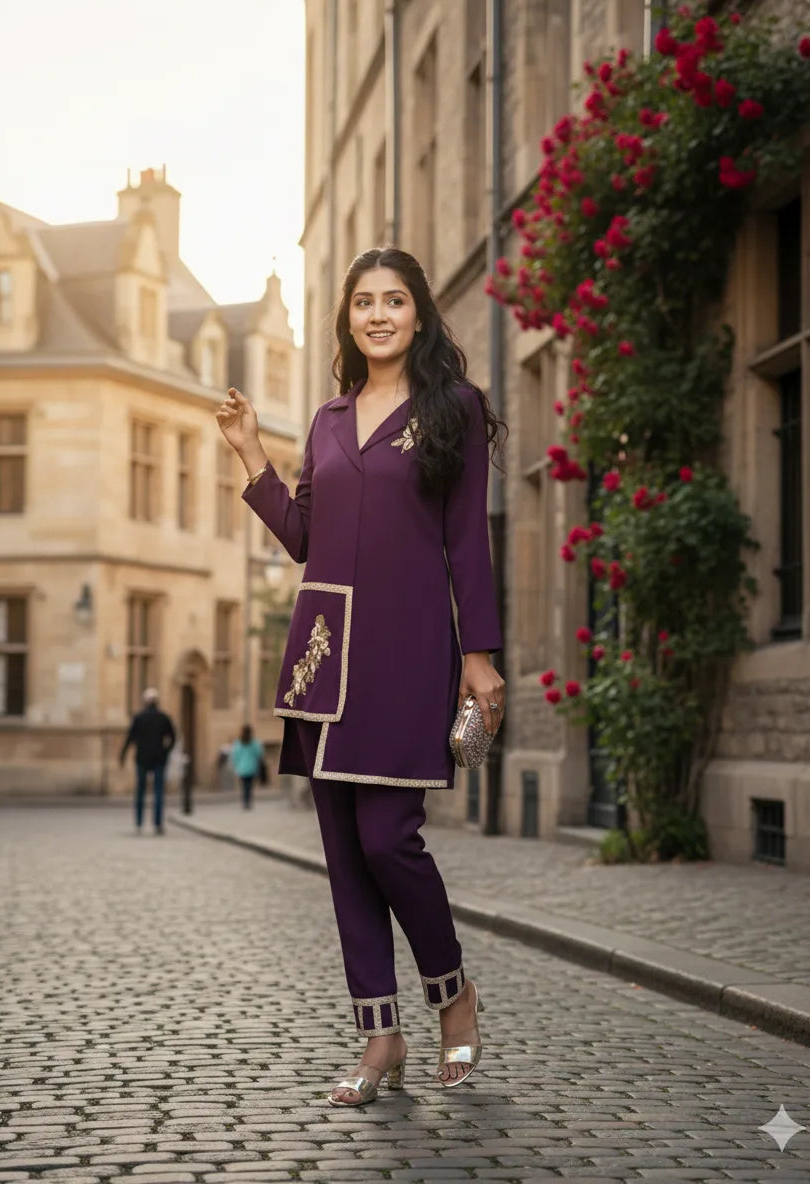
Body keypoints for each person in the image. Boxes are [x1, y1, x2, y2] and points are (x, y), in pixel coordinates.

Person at [215, 246, 506, 1107]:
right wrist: (249, 454)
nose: (379, 314)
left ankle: (453, 993)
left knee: (390, 841)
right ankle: (380, 1038)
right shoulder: (328, 420)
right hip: (320, 657)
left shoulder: (454, 408)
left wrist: (479, 655)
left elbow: (468, 543)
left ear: (418, 314)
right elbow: (303, 537)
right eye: (364, 303)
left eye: (395, 301)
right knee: (344, 856)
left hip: (409, 652)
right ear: (347, 319)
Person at [120, 688, 176, 835]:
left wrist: (123, 755)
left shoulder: (139, 718)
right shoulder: (164, 718)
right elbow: (173, 737)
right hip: (158, 758)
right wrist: (166, 751)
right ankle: (157, 823)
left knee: (140, 791)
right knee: (158, 792)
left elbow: (130, 738)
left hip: (142, 758)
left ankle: (139, 822)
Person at [231, 724, 265, 808]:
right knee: (249, 786)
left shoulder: (238, 743)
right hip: (252, 768)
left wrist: (236, 766)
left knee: (244, 786)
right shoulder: (254, 743)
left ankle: (245, 801)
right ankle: (248, 802)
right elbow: (260, 754)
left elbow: (235, 756)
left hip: (242, 768)